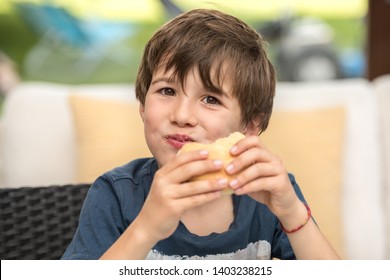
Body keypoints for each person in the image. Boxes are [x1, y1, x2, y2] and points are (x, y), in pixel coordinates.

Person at [62, 9, 340, 260]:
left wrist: (292, 212)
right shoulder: (117, 194)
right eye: (167, 91)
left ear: (250, 125)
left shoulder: (269, 194)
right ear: (143, 106)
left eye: (210, 99)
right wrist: (146, 227)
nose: (182, 116)